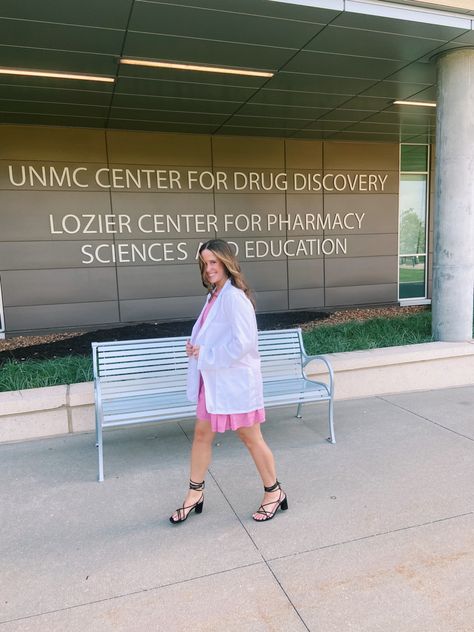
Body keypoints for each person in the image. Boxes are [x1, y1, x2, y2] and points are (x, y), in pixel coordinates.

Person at [170, 239, 288, 524]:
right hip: (213, 383)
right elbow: (214, 335)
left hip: (234, 384)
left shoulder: (235, 297)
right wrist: (196, 346)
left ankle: (274, 492)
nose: (208, 268)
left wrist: (207, 354)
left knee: (250, 438)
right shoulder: (214, 295)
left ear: (226, 262)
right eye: (204, 263)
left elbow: (244, 344)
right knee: (201, 435)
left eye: (213, 262)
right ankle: (194, 494)